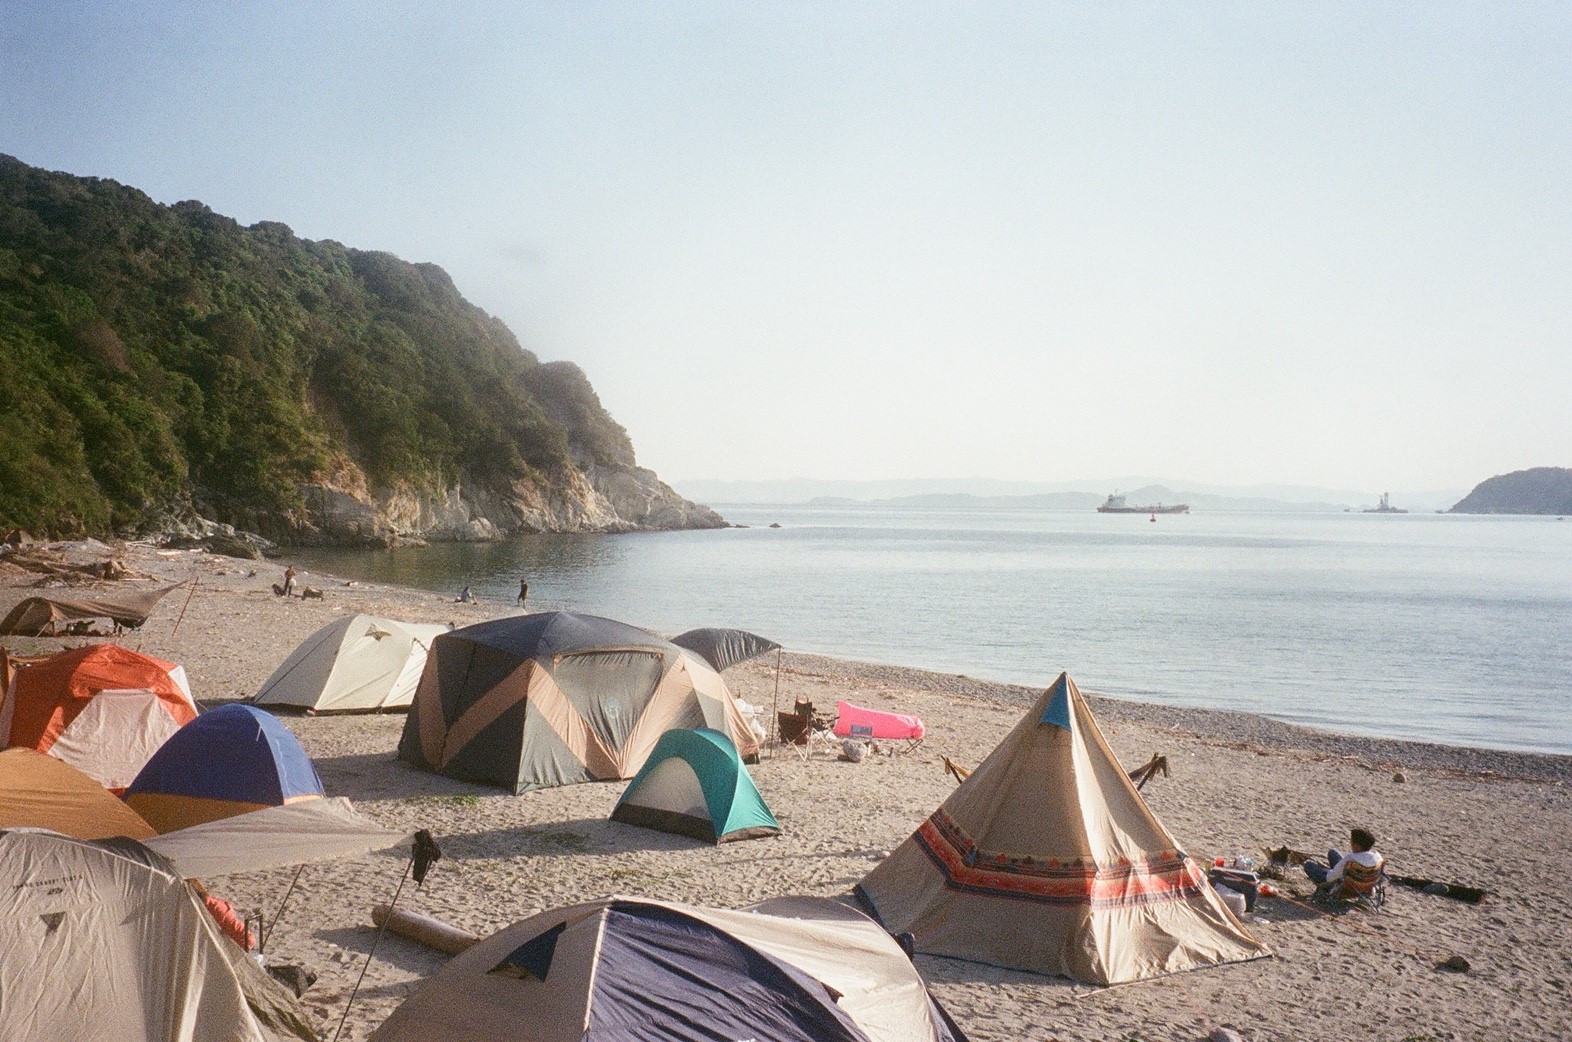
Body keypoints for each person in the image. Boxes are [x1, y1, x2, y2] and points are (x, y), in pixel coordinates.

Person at [1303, 827, 1384, 895]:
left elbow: (1331, 878)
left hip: (1343, 887)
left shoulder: (1351, 858)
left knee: (1308, 865)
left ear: (1356, 846)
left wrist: (1326, 870)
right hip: (1365, 887)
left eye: (1351, 842)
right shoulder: (1378, 857)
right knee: (1333, 852)